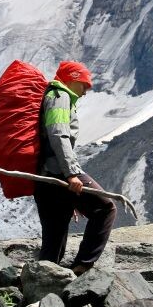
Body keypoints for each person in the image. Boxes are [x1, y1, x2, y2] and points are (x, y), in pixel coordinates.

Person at [35, 61, 116, 275]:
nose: (86, 92)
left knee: (54, 240)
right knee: (105, 208)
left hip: (44, 178)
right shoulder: (60, 97)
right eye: (84, 85)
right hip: (58, 172)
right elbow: (58, 134)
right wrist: (71, 174)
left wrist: (69, 197)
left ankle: (40, 288)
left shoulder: (52, 96)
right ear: (72, 79)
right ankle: (83, 266)